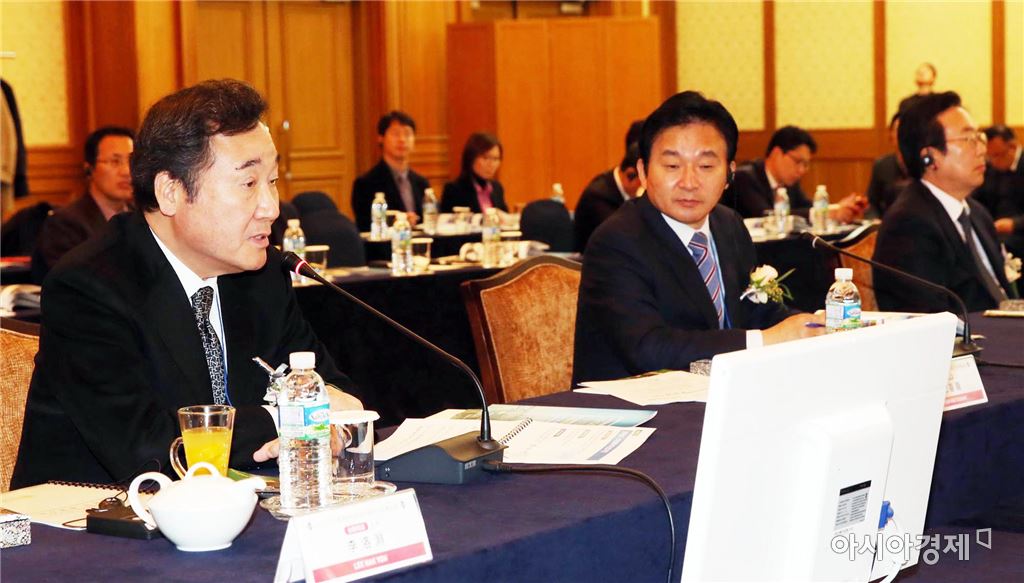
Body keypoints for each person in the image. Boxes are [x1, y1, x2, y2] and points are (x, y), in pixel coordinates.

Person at [11, 79, 361, 488]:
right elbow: (151, 451)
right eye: (249, 184)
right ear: (170, 192)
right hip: (94, 516)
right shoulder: (89, 288)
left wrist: (331, 425)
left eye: (272, 181)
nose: (271, 208)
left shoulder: (261, 275)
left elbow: (335, 392)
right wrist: (286, 419)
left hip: (242, 504)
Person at [572, 91, 822, 384]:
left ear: (729, 174)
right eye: (672, 166)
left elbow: (756, 312)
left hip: (721, 391)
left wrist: (814, 326)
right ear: (643, 171)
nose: (689, 182)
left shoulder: (729, 225)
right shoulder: (617, 241)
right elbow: (648, 349)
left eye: (706, 167)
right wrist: (763, 341)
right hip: (635, 404)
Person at [873, 92, 1016, 314]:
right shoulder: (909, 225)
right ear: (930, 157)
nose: (982, 149)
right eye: (967, 139)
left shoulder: (977, 213)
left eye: (979, 137)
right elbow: (929, 318)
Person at [31, 126, 135, 283]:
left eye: (132, 161)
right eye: (115, 161)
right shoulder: (64, 224)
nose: (126, 171)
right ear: (89, 169)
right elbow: (73, 283)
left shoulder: (144, 217)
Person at [727, 125, 866, 222]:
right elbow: (767, 217)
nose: (802, 170)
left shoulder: (789, 182)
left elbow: (807, 207)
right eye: (798, 162)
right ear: (777, 153)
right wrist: (830, 213)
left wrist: (837, 209)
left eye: (806, 164)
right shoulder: (745, 177)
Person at [351, 110, 429, 231]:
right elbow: (365, 225)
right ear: (381, 138)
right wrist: (398, 222)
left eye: (407, 134)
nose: (402, 140)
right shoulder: (365, 184)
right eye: (396, 134)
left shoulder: (422, 183)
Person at [574, 142, 643, 252]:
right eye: (642, 181)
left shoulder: (613, 183)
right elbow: (621, 237)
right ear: (630, 175)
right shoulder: (598, 197)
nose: (644, 186)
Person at [974, 125, 1024, 257]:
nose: (993, 162)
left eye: (997, 155)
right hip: (995, 228)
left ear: (1012, 147)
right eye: (988, 157)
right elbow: (979, 199)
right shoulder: (991, 168)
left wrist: (1014, 224)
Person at [440, 132, 508, 213]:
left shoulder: (497, 188)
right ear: (471, 158)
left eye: (495, 159)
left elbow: (505, 216)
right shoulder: (454, 189)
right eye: (485, 158)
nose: (491, 164)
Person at [865, 111, 911, 219]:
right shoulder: (881, 165)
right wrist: (875, 221)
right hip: (886, 223)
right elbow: (872, 203)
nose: (902, 136)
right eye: (898, 131)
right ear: (891, 135)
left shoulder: (923, 164)